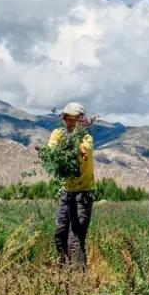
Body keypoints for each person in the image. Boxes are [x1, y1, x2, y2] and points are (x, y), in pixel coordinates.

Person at [48, 102, 95, 268]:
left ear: (82, 120)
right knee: (59, 235)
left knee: (75, 239)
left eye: (75, 119)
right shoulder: (57, 133)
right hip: (66, 193)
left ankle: (78, 283)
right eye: (68, 118)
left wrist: (73, 140)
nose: (71, 122)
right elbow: (52, 150)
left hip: (83, 194)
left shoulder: (86, 138)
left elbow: (82, 151)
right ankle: (62, 276)